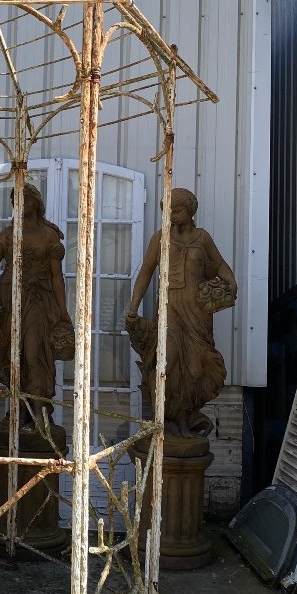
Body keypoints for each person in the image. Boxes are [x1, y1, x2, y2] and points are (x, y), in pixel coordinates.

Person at [125, 187, 236, 437]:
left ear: (190, 210)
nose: (173, 215)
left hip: (197, 311)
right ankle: (165, 421)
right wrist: (134, 305)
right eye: (169, 211)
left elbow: (218, 264)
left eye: (178, 210)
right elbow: (146, 272)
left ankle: (186, 419)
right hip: (170, 307)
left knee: (195, 368)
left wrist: (231, 281)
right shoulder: (160, 238)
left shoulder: (202, 237)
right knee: (168, 362)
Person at [0, 183, 72, 430]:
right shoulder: (9, 234)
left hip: (38, 300)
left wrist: (63, 311)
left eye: (24, 199)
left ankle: (39, 411)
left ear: (36, 203)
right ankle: (17, 411)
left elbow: (57, 277)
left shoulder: (49, 235)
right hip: (11, 299)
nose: (19, 204)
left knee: (34, 353)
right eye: (15, 200)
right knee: (13, 354)